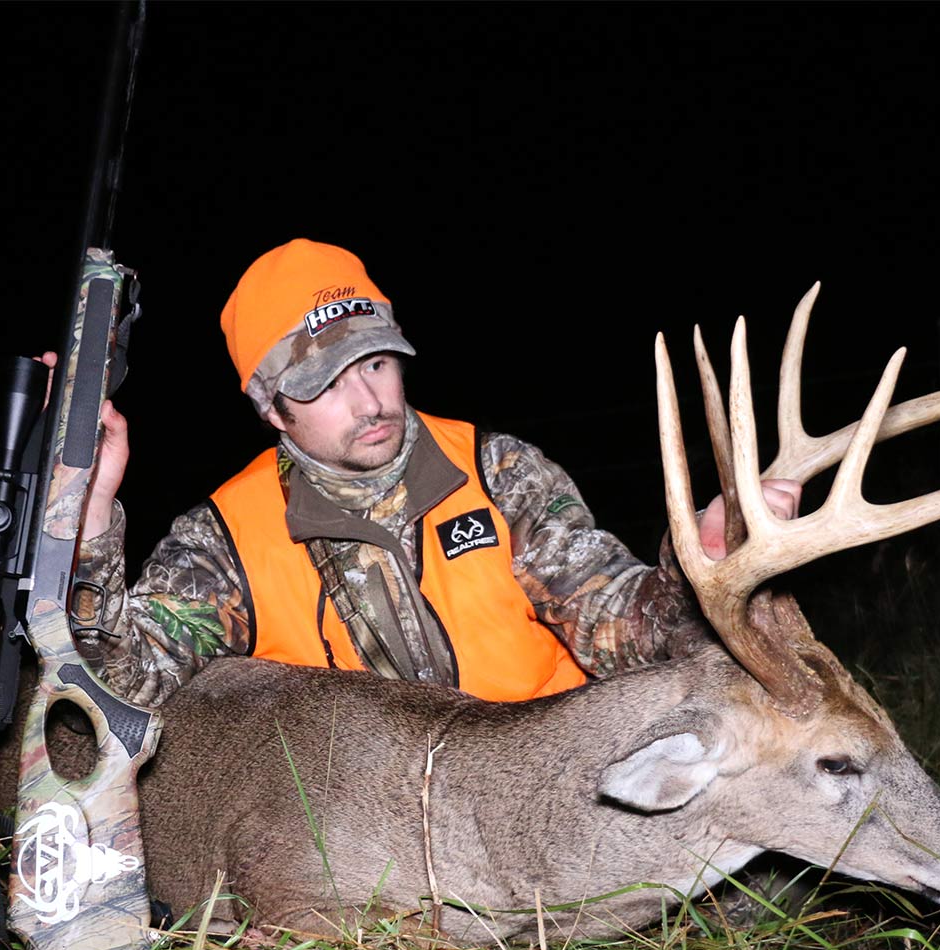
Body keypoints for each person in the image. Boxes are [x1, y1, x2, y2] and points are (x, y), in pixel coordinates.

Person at [68, 238, 799, 708]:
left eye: (378, 362)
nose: (371, 400)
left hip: (553, 779)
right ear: (273, 411)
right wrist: (92, 514)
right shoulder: (223, 542)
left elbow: (620, 630)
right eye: (327, 383)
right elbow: (130, 685)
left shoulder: (499, 471)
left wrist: (696, 570)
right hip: (367, 837)